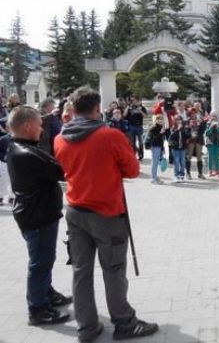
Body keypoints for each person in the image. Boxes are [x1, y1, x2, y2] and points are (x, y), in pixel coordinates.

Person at [53, 86, 158, 342]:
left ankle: (87, 327)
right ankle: (124, 323)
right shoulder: (109, 136)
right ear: (97, 108)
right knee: (113, 270)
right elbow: (132, 170)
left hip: (75, 211)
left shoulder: (59, 138)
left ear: (74, 109)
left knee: (81, 271)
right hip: (106, 213)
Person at [6, 106, 72, 325]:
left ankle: (46, 293)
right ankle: (37, 308)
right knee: (40, 262)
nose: (42, 128)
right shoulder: (26, 153)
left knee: (45, 259)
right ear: (27, 126)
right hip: (37, 216)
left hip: (38, 213)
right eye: (39, 124)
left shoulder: (22, 146)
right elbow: (61, 170)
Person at [168, 115, 190, 183]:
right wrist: (178, 129)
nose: (178, 121)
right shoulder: (173, 128)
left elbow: (188, 136)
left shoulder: (184, 128)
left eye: (179, 119)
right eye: (176, 120)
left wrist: (187, 129)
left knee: (183, 162)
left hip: (183, 148)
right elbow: (171, 138)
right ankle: (176, 176)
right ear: (174, 121)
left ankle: (182, 176)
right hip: (175, 148)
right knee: (176, 162)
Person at [148, 114, 166, 184]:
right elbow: (152, 138)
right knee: (154, 162)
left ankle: (155, 176)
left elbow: (161, 140)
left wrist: (163, 148)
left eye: (161, 119)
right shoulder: (153, 128)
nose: (160, 120)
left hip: (159, 146)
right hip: (154, 146)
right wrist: (160, 133)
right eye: (158, 119)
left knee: (156, 162)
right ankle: (153, 178)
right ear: (156, 120)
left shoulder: (161, 127)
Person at [204, 112, 219, 177]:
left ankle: (217, 171)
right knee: (210, 157)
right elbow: (206, 133)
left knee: (216, 157)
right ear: (210, 117)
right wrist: (211, 127)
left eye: (215, 116)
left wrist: (218, 128)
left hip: (217, 142)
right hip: (210, 142)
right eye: (212, 116)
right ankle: (210, 171)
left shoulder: (218, 124)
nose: (214, 117)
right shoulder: (208, 124)